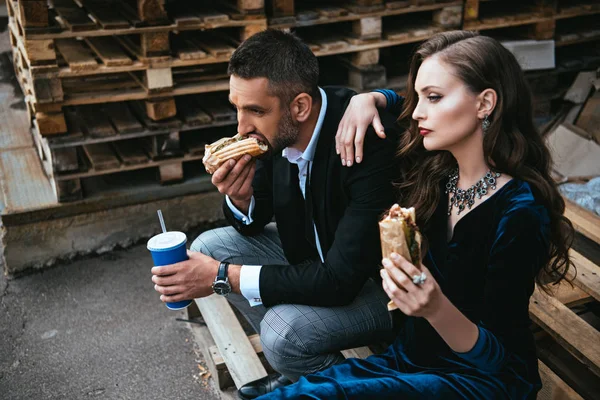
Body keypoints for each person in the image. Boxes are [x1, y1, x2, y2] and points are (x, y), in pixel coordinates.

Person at [256, 30, 575, 399]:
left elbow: (500, 359)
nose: (418, 111)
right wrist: (369, 98)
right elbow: (401, 105)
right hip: (409, 358)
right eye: (419, 95)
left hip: (480, 381)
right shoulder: (439, 177)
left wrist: (434, 307)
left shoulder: (520, 210)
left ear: (485, 103)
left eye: (433, 97)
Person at [150, 29, 405, 398]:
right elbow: (253, 222)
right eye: (237, 107)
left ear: (299, 107)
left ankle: (344, 382)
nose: (241, 127)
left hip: (379, 290)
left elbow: (339, 280)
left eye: (255, 110)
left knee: (281, 332)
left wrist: (223, 277)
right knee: (209, 246)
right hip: (318, 263)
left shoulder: (364, 140)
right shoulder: (279, 133)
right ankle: (296, 368)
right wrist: (241, 199)